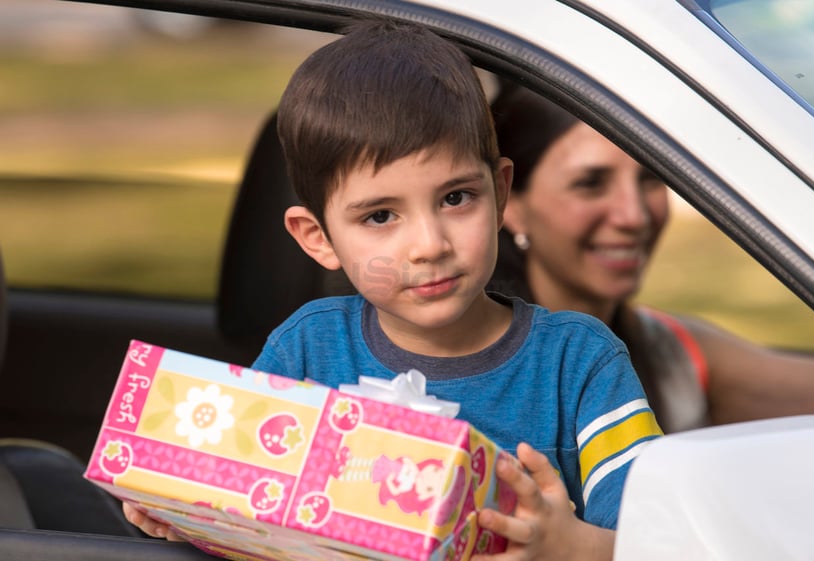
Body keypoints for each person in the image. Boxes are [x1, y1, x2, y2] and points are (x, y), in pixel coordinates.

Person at [125, 18, 662, 560]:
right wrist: (189, 511)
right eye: (381, 215)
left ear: (500, 192)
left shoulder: (578, 362)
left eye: (456, 198)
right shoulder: (307, 351)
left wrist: (571, 549)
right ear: (319, 238)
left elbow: (669, 538)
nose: (429, 245)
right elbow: (258, 520)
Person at [488, 80, 814, 434]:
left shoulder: (670, 351)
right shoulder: (473, 368)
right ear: (511, 204)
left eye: (650, 178)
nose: (635, 215)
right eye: (591, 183)